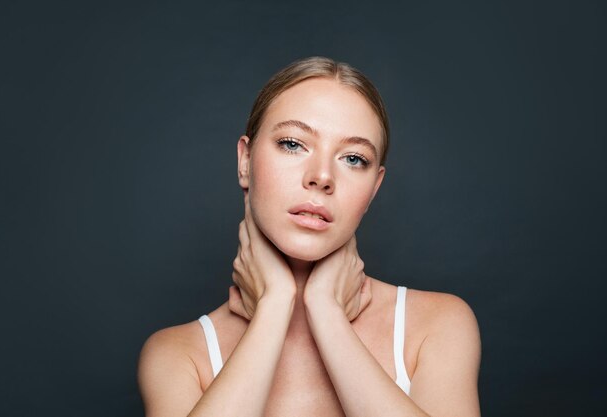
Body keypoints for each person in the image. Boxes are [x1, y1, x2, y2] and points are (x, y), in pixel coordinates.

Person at [137, 56, 482, 417]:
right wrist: (274, 305)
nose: (321, 176)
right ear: (245, 161)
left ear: (374, 188)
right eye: (292, 143)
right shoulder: (178, 355)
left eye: (352, 159)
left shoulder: (437, 326)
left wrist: (326, 312)